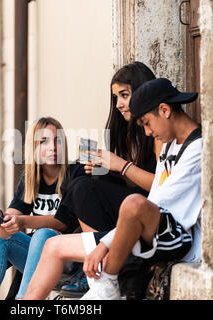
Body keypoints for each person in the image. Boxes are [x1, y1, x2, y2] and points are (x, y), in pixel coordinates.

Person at [23, 78, 201, 300]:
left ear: (164, 110)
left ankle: (108, 281)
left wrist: (106, 245)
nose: (146, 132)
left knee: (131, 202)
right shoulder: (171, 144)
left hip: (174, 238)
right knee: (52, 246)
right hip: (144, 233)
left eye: (146, 123)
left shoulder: (197, 150)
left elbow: (156, 204)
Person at [52, 62, 161, 297]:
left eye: (124, 95)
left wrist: (121, 166)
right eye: (116, 97)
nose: (119, 104)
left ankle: (97, 266)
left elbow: (159, 187)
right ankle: (93, 258)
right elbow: (129, 182)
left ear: (142, 92)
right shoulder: (125, 131)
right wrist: (104, 169)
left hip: (147, 211)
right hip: (129, 199)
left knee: (82, 188)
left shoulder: (157, 129)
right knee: (76, 173)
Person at [0, 117, 85, 300]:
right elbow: (14, 215)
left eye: (57, 140)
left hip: (70, 262)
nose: (52, 147)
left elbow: (62, 222)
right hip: (38, 258)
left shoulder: (76, 172)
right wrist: (1, 216)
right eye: (44, 141)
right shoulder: (32, 179)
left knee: (43, 234)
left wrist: (22, 221)